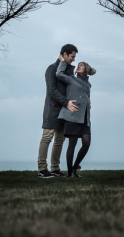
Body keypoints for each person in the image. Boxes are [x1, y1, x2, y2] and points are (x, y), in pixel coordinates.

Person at [37, 44, 79, 178]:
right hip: (52, 109)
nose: (73, 60)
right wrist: (66, 102)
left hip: (65, 110)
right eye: (72, 57)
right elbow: (52, 90)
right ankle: (42, 169)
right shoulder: (52, 69)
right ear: (64, 55)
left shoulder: (68, 71)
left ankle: (55, 168)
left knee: (60, 139)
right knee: (47, 137)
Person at [56, 60, 95, 178]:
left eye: (81, 65)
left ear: (86, 70)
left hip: (85, 118)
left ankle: (74, 168)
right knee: (72, 145)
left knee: (86, 143)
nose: (78, 66)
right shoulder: (71, 79)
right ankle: (70, 173)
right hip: (72, 115)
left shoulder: (88, 85)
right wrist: (62, 62)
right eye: (77, 65)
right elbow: (59, 74)